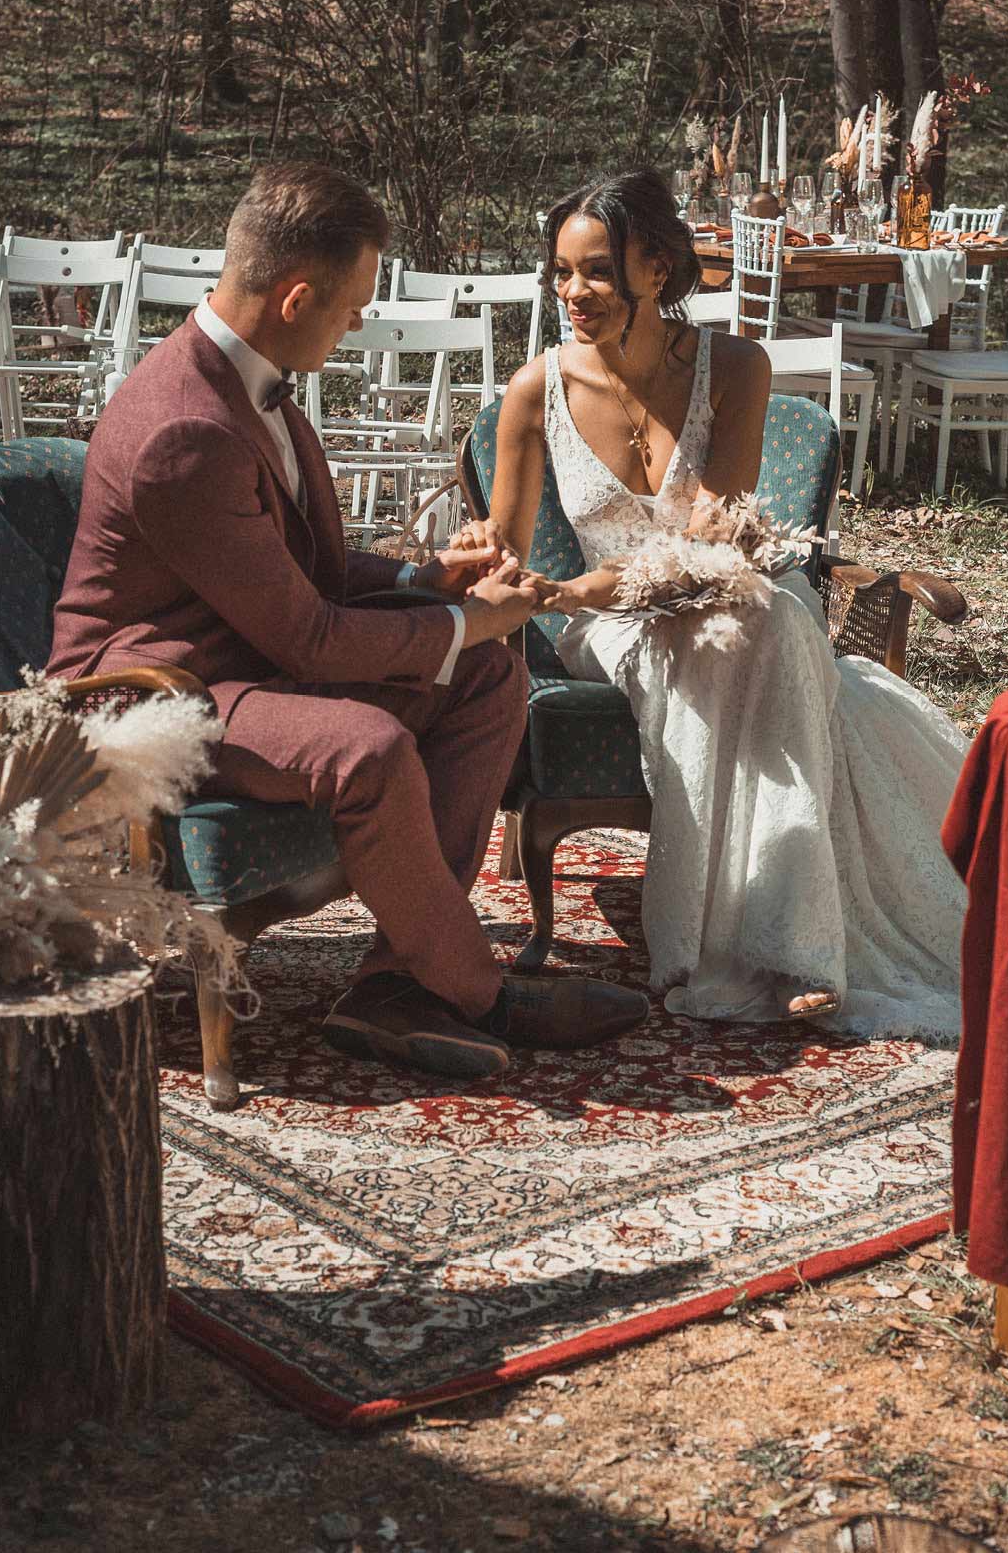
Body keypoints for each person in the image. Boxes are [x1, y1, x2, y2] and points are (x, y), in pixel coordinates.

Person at [473, 168, 1008, 1041]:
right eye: (561, 272)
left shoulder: (736, 368)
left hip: (725, 587)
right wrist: (503, 576)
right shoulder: (536, 391)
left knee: (769, 616)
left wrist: (708, 554)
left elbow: (711, 540)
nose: (574, 292)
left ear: (658, 267)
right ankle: (760, 948)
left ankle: (788, 944)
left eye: (596, 270)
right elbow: (505, 546)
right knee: (738, 632)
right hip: (612, 622)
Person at [48, 162, 648, 1079]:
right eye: (354, 305)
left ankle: (398, 986)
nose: (360, 321)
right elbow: (309, 637)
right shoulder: (187, 428)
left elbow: (306, 574)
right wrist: (472, 621)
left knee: (488, 679)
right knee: (366, 746)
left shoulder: (248, 379)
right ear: (295, 299)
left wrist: (425, 574)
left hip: (238, 657)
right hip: (153, 692)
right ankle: (475, 990)